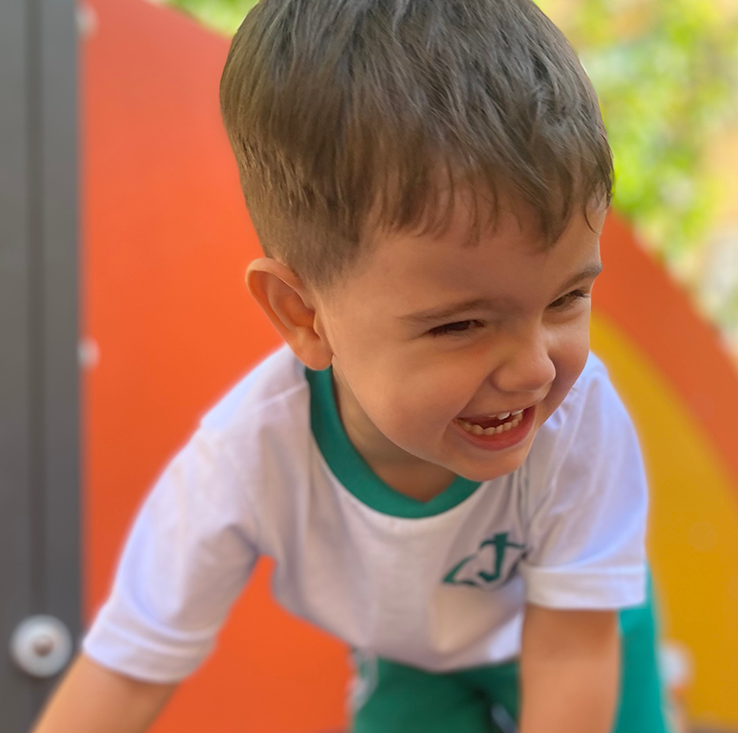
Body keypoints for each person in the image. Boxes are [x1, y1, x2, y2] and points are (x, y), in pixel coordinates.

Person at [32, 1, 673, 732]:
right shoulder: (249, 455)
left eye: (566, 298)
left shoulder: (580, 421)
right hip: (412, 653)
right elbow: (125, 666)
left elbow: (569, 659)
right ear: (305, 316)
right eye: (461, 324)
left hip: (580, 632)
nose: (533, 370)